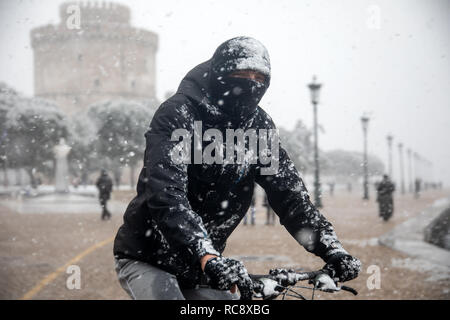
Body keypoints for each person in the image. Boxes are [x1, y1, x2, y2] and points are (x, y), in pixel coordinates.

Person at [113, 36, 361, 300]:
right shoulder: (178, 113)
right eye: (241, 74)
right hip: (148, 255)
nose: (250, 82)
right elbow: (167, 194)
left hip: (206, 266)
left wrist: (331, 248)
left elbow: (291, 198)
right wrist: (204, 254)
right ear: (219, 73)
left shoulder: (259, 127)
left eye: (259, 77)